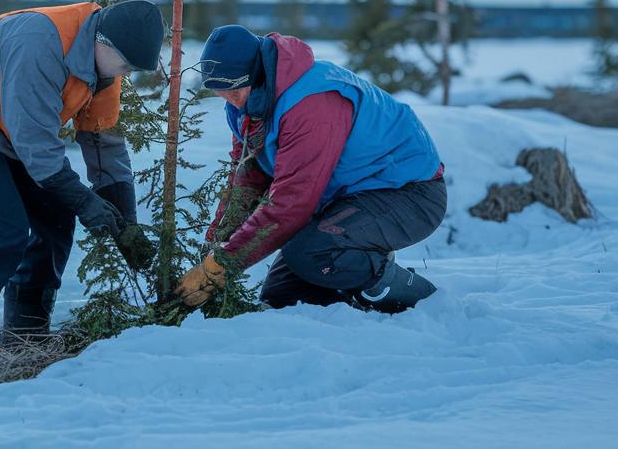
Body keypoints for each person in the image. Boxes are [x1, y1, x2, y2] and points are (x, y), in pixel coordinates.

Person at [0, 0, 163, 355]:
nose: (125, 74)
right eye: (125, 64)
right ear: (104, 41)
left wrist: (126, 224)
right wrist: (84, 201)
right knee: (1, 233)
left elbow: (103, 145)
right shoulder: (39, 43)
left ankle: (26, 341)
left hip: (10, 125)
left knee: (54, 218)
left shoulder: (105, 71)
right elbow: (36, 145)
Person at [175, 25, 447, 314]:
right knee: (284, 299)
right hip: (346, 200)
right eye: (220, 91)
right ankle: (353, 287)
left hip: (409, 194)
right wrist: (217, 241)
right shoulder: (249, 104)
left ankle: (424, 302)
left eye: (234, 89)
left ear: (255, 74)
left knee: (310, 254)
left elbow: (291, 204)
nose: (228, 99)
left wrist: (223, 265)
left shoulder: (312, 105)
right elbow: (248, 175)